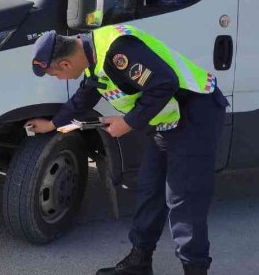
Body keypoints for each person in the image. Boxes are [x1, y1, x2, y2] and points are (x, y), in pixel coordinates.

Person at [27, 25, 228, 275]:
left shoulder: (117, 50)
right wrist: (53, 124)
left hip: (196, 112)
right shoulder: (91, 55)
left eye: (55, 75)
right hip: (169, 120)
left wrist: (128, 122)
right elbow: (86, 95)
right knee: (149, 189)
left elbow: (165, 83)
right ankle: (139, 262)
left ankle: (195, 270)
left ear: (65, 65)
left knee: (184, 199)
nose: (59, 79)